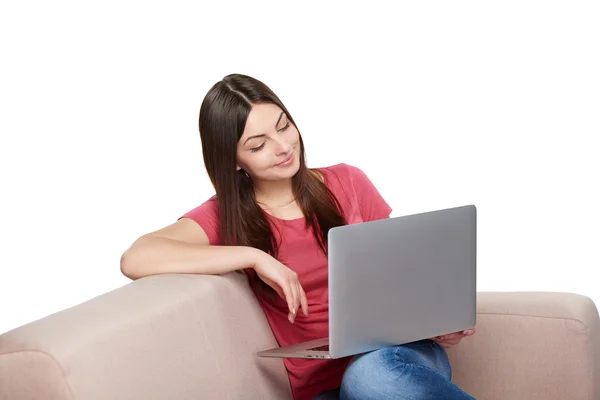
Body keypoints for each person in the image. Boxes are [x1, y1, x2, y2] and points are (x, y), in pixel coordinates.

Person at [120, 73, 477, 400]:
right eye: (258, 145)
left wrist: (440, 322)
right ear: (233, 160)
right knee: (360, 384)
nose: (283, 147)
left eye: (284, 126)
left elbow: (401, 272)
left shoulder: (347, 182)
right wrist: (255, 257)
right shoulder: (223, 217)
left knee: (370, 377)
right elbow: (136, 257)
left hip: (397, 357)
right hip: (322, 386)